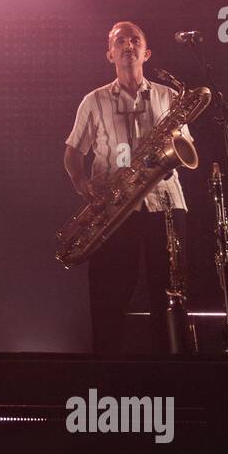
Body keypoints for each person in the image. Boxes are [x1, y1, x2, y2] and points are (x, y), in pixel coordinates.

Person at [63, 21, 191, 356]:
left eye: (135, 40)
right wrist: (82, 183)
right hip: (115, 210)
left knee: (170, 294)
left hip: (165, 205)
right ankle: (109, 376)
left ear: (146, 52)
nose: (128, 45)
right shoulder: (93, 101)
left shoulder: (170, 97)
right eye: (120, 41)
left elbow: (185, 145)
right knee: (110, 297)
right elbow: (72, 153)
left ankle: (173, 371)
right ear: (110, 54)